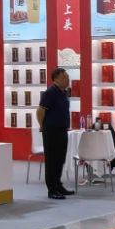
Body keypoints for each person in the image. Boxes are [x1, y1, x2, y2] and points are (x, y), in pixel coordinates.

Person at [37, 68, 76, 199]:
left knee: (60, 159)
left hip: (62, 130)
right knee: (52, 160)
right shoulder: (50, 93)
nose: (67, 79)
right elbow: (40, 111)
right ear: (56, 79)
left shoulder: (63, 93)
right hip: (51, 131)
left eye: (68, 77)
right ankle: (52, 189)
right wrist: (42, 125)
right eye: (64, 77)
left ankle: (58, 185)